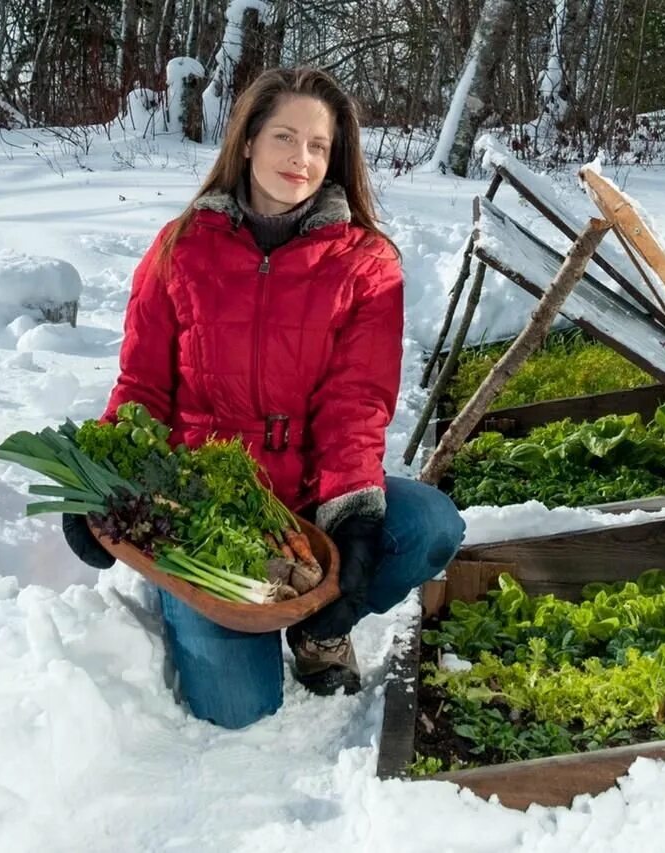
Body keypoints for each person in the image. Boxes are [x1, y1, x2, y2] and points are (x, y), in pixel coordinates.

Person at [60, 66, 465, 729]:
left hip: (306, 491)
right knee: (240, 708)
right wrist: (103, 482)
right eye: (284, 137)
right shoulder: (180, 248)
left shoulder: (365, 264)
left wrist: (354, 523)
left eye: (317, 145)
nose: (300, 159)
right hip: (204, 505)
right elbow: (142, 387)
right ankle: (181, 596)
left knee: (430, 526)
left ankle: (317, 630)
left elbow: (355, 404)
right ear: (246, 141)